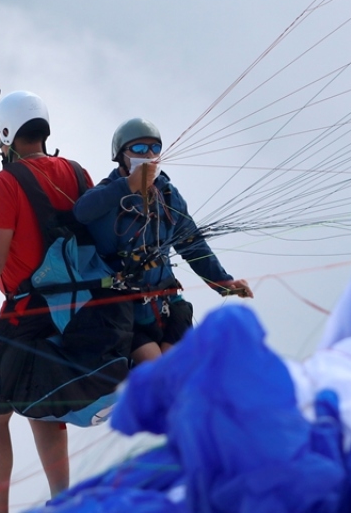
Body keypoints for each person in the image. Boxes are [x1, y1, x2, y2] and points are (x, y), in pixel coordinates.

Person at [0, 90, 97, 513]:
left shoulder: (4, 183)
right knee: (43, 406)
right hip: (78, 313)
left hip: (26, 316)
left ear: (6, 134)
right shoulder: (77, 172)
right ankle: (63, 500)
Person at [73, 117, 253, 365]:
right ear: (121, 155)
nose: (147, 154)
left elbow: (192, 244)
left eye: (154, 148)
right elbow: (82, 211)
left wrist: (223, 282)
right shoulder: (108, 193)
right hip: (127, 313)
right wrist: (127, 186)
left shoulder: (168, 195)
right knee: (155, 365)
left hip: (168, 304)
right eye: (138, 148)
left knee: (178, 370)